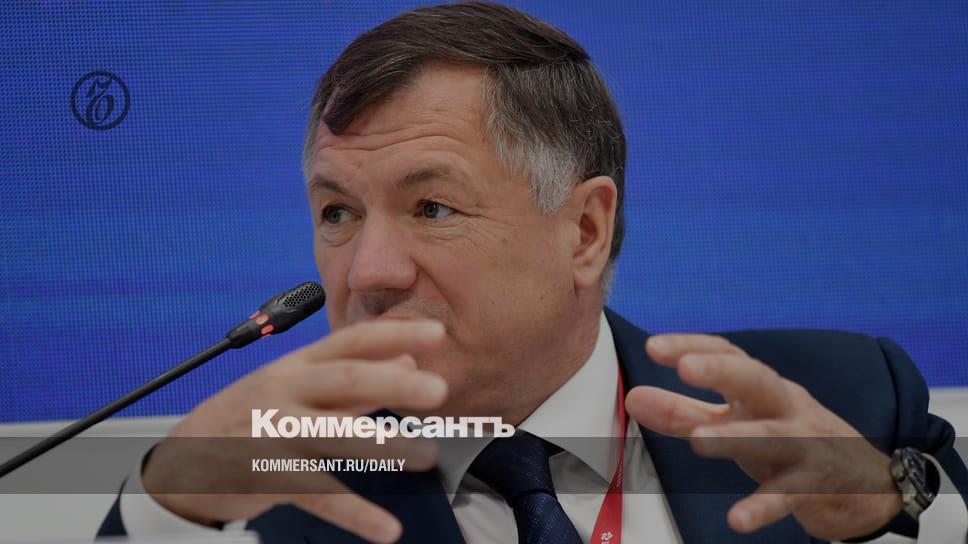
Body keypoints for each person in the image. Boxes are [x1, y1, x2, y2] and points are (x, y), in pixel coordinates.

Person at [99, 2, 967, 543]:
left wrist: (879, 506)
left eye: (432, 207)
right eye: (337, 213)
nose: (367, 273)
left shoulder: (842, 401)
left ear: (585, 231)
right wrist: (168, 503)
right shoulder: (262, 493)